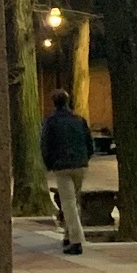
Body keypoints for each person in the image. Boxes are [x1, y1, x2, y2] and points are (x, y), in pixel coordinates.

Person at [40, 89, 94, 255]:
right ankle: (68, 235)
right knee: (73, 201)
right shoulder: (79, 120)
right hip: (80, 165)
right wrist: (85, 158)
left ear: (54, 102)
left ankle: (76, 240)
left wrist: (49, 164)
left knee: (68, 203)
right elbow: (89, 143)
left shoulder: (51, 122)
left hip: (62, 167)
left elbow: (45, 145)